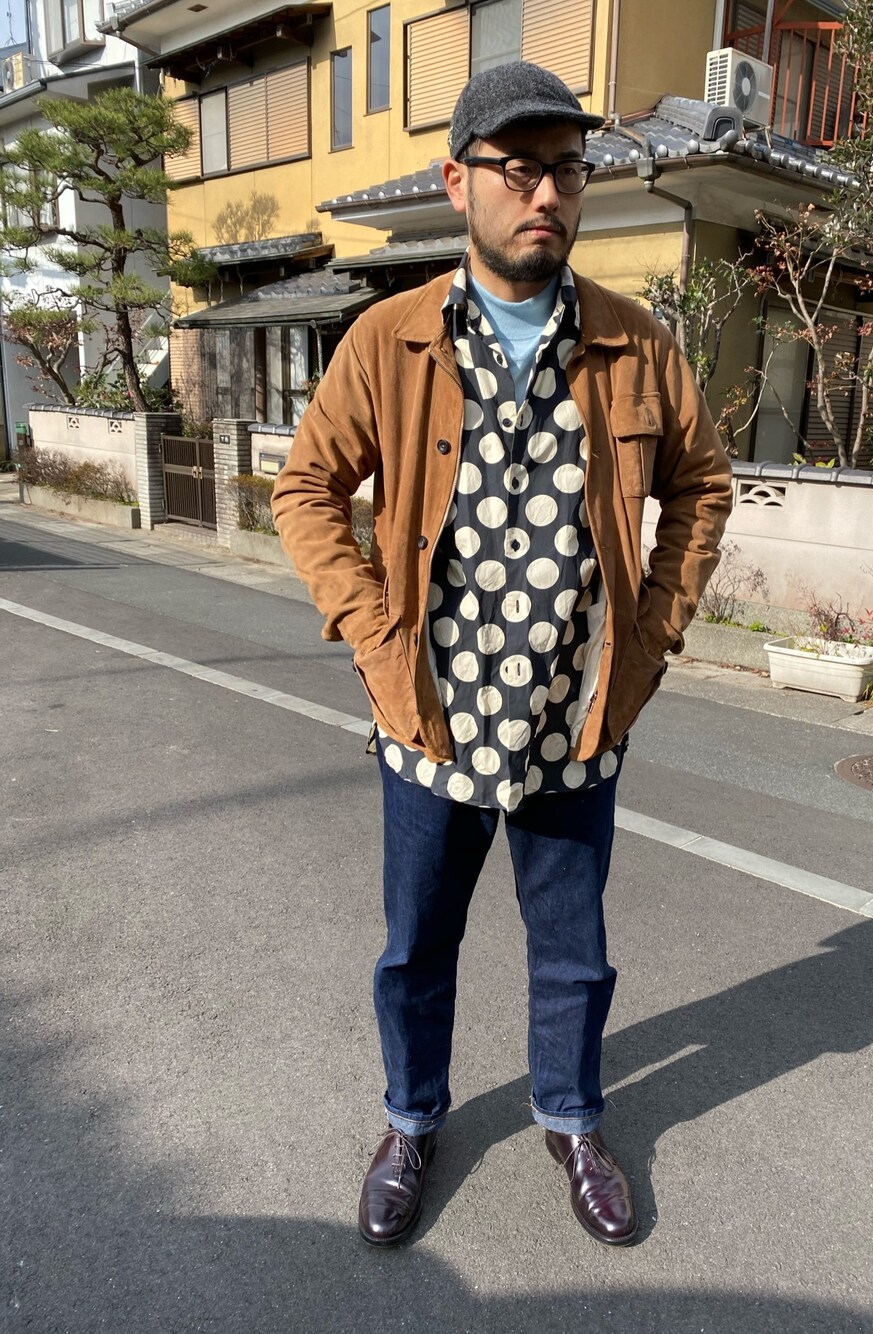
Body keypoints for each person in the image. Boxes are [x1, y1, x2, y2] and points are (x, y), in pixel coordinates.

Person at [272, 61, 732, 1248]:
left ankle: (572, 1118)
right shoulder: (389, 340)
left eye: (566, 170)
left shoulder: (635, 342)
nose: (545, 194)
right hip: (429, 718)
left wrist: (651, 639)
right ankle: (409, 1120)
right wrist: (373, 634)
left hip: (574, 719)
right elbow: (307, 487)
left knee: (575, 954)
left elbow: (701, 486)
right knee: (417, 949)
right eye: (517, 168)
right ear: (457, 181)